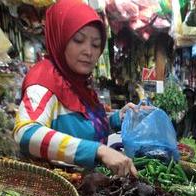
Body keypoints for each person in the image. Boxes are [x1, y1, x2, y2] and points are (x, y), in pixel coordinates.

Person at [14, 0, 137, 176]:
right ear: (61, 39)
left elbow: (81, 128)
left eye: (95, 45)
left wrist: (118, 119)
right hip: (56, 191)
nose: (89, 51)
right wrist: (98, 151)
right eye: (78, 40)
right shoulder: (45, 80)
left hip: (86, 184)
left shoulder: (78, 83)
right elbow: (26, 133)